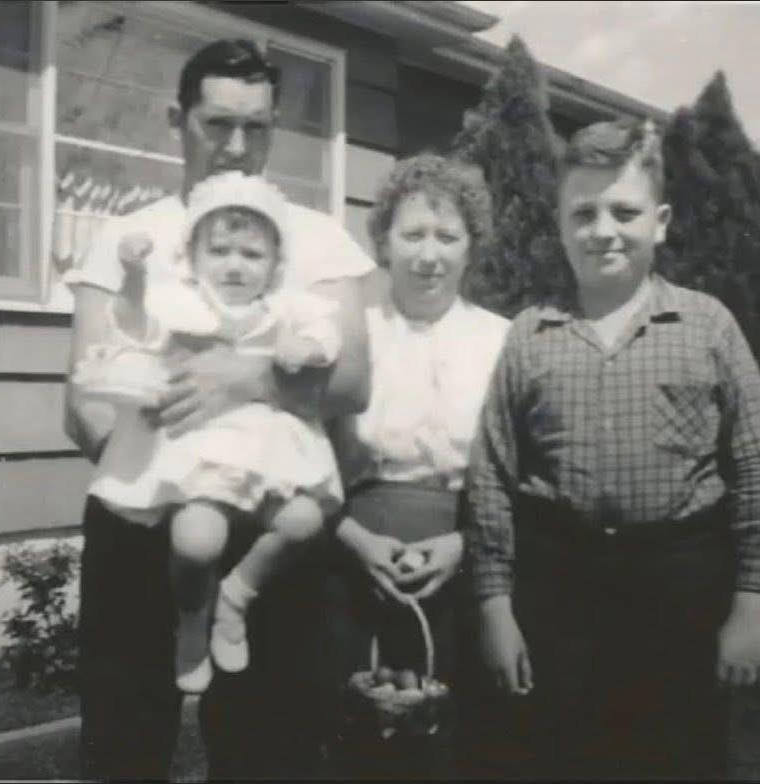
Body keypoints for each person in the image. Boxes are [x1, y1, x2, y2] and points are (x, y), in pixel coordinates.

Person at [62, 39, 374, 780]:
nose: (237, 146)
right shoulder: (125, 237)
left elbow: (353, 382)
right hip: (144, 521)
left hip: (268, 522)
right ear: (179, 120)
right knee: (124, 742)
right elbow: (84, 400)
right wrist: (170, 482)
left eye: (256, 127)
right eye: (217, 124)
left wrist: (248, 382)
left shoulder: (315, 238)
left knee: (270, 751)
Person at [462, 118, 760, 780]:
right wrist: (495, 607)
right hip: (559, 585)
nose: (602, 230)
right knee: (559, 759)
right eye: (583, 213)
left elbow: (756, 468)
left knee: (674, 758)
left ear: (659, 223)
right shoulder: (531, 333)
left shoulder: (706, 325)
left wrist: (750, 608)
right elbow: (491, 473)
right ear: (559, 226)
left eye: (624, 212)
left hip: (678, 586)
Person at [71, 171, 345, 695]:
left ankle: (237, 596)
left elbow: (325, 334)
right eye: (219, 251)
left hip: (268, 449)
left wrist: (304, 348)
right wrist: (133, 276)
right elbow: (132, 325)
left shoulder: (285, 306)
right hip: (199, 447)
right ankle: (193, 621)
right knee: (197, 541)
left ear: (275, 264)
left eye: (252, 254)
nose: (235, 265)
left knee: (306, 519)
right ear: (193, 258)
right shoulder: (180, 303)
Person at [322, 153, 510, 779]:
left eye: (447, 236)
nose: (429, 256)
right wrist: (356, 541)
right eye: (413, 235)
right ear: (383, 242)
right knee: (357, 738)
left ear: (471, 246)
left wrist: (464, 544)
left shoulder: (503, 342)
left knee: (447, 744)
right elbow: (304, 458)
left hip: (462, 561)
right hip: (353, 555)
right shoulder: (349, 337)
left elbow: (519, 477)